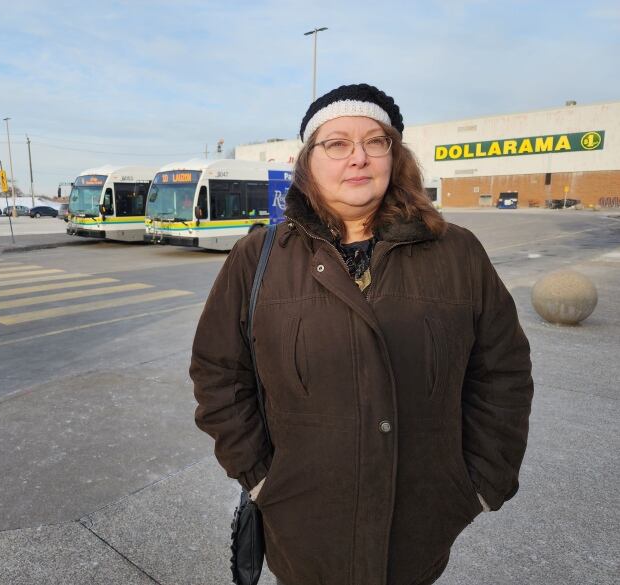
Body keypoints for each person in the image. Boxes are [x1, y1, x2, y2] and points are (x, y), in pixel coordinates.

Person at [190, 84, 533, 585]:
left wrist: (479, 483)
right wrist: (261, 477)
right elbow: (218, 373)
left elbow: (502, 374)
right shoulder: (258, 257)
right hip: (301, 520)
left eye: (375, 141)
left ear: (396, 157)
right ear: (308, 161)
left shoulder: (457, 254)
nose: (358, 157)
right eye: (337, 144)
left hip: (418, 525)